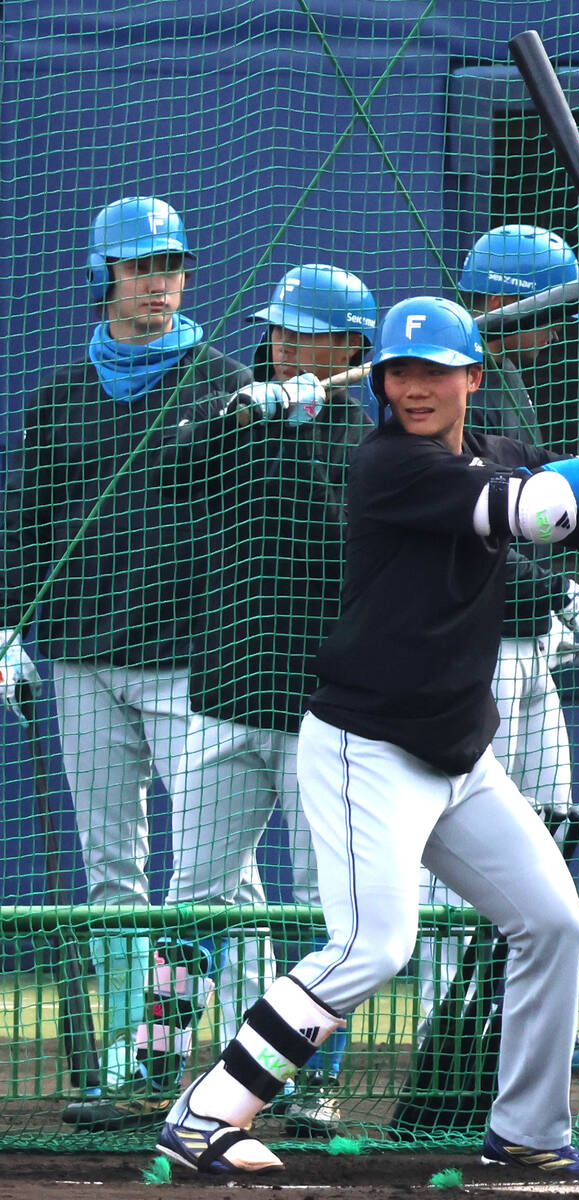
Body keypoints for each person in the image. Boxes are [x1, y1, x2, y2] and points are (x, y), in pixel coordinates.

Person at [155, 294, 579, 1176]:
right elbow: (535, 512)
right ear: (380, 384)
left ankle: (529, 1132)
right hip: (365, 747)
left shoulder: (495, 453)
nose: (414, 389)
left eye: (434, 373)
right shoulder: (391, 467)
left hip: (456, 751)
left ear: (471, 380)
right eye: (399, 373)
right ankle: (205, 1113)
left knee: (554, 923)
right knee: (371, 947)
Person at [66, 264, 376, 1135]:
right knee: (195, 895)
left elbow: (333, 535)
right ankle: (150, 1069)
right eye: (277, 332)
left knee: (328, 907)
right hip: (227, 695)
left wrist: (307, 424)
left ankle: (309, 1084)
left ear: (346, 347)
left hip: (324, 712)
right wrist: (253, 414)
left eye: (303, 334)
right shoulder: (239, 413)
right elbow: (169, 471)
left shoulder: (363, 444)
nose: (282, 346)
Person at [0, 196, 256, 1113]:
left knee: (217, 876)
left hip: (192, 668)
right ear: (104, 278)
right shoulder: (64, 395)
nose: (159, 282)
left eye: (172, 265)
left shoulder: (225, 383)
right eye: (141, 266)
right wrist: (7, 631)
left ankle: (249, 1060)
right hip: (80, 665)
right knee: (112, 871)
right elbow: (26, 526)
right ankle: (129, 1054)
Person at [417, 225, 579, 1074]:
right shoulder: (453, 392)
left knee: (549, 828)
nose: (558, 330)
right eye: (551, 307)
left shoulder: (508, 381)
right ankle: (447, 1032)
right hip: (465, 659)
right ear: (513, 299)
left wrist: (549, 605)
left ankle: (533, 1029)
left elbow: (538, 510)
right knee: (455, 851)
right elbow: (464, 522)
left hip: (522, 647)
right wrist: (558, 593)